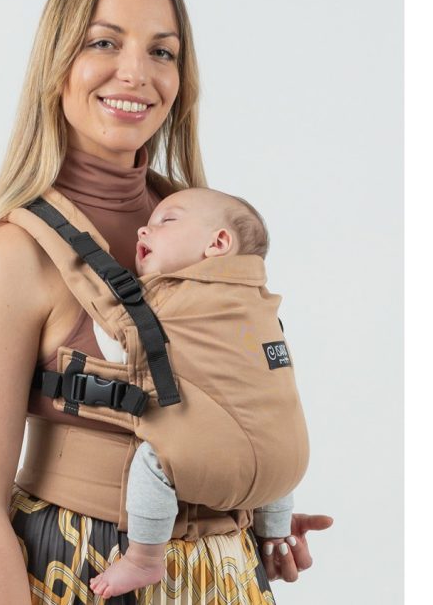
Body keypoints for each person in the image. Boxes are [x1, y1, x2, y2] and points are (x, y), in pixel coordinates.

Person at [0, 0, 333, 605]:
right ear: (58, 62)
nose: (137, 72)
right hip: (81, 573)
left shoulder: (203, 229)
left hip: (229, 572)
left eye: (162, 51)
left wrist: (248, 505)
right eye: (104, 42)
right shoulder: (11, 257)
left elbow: (233, 395)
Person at [89, 187, 297, 598]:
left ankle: (143, 560)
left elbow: (119, 349)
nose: (144, 229)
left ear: (217, 243)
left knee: (154, 462)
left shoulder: (168, 298)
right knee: (271, 434)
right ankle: (276, 533)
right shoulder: (260, 304)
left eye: (167, 220)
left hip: (212, 462)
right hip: (288, 465)